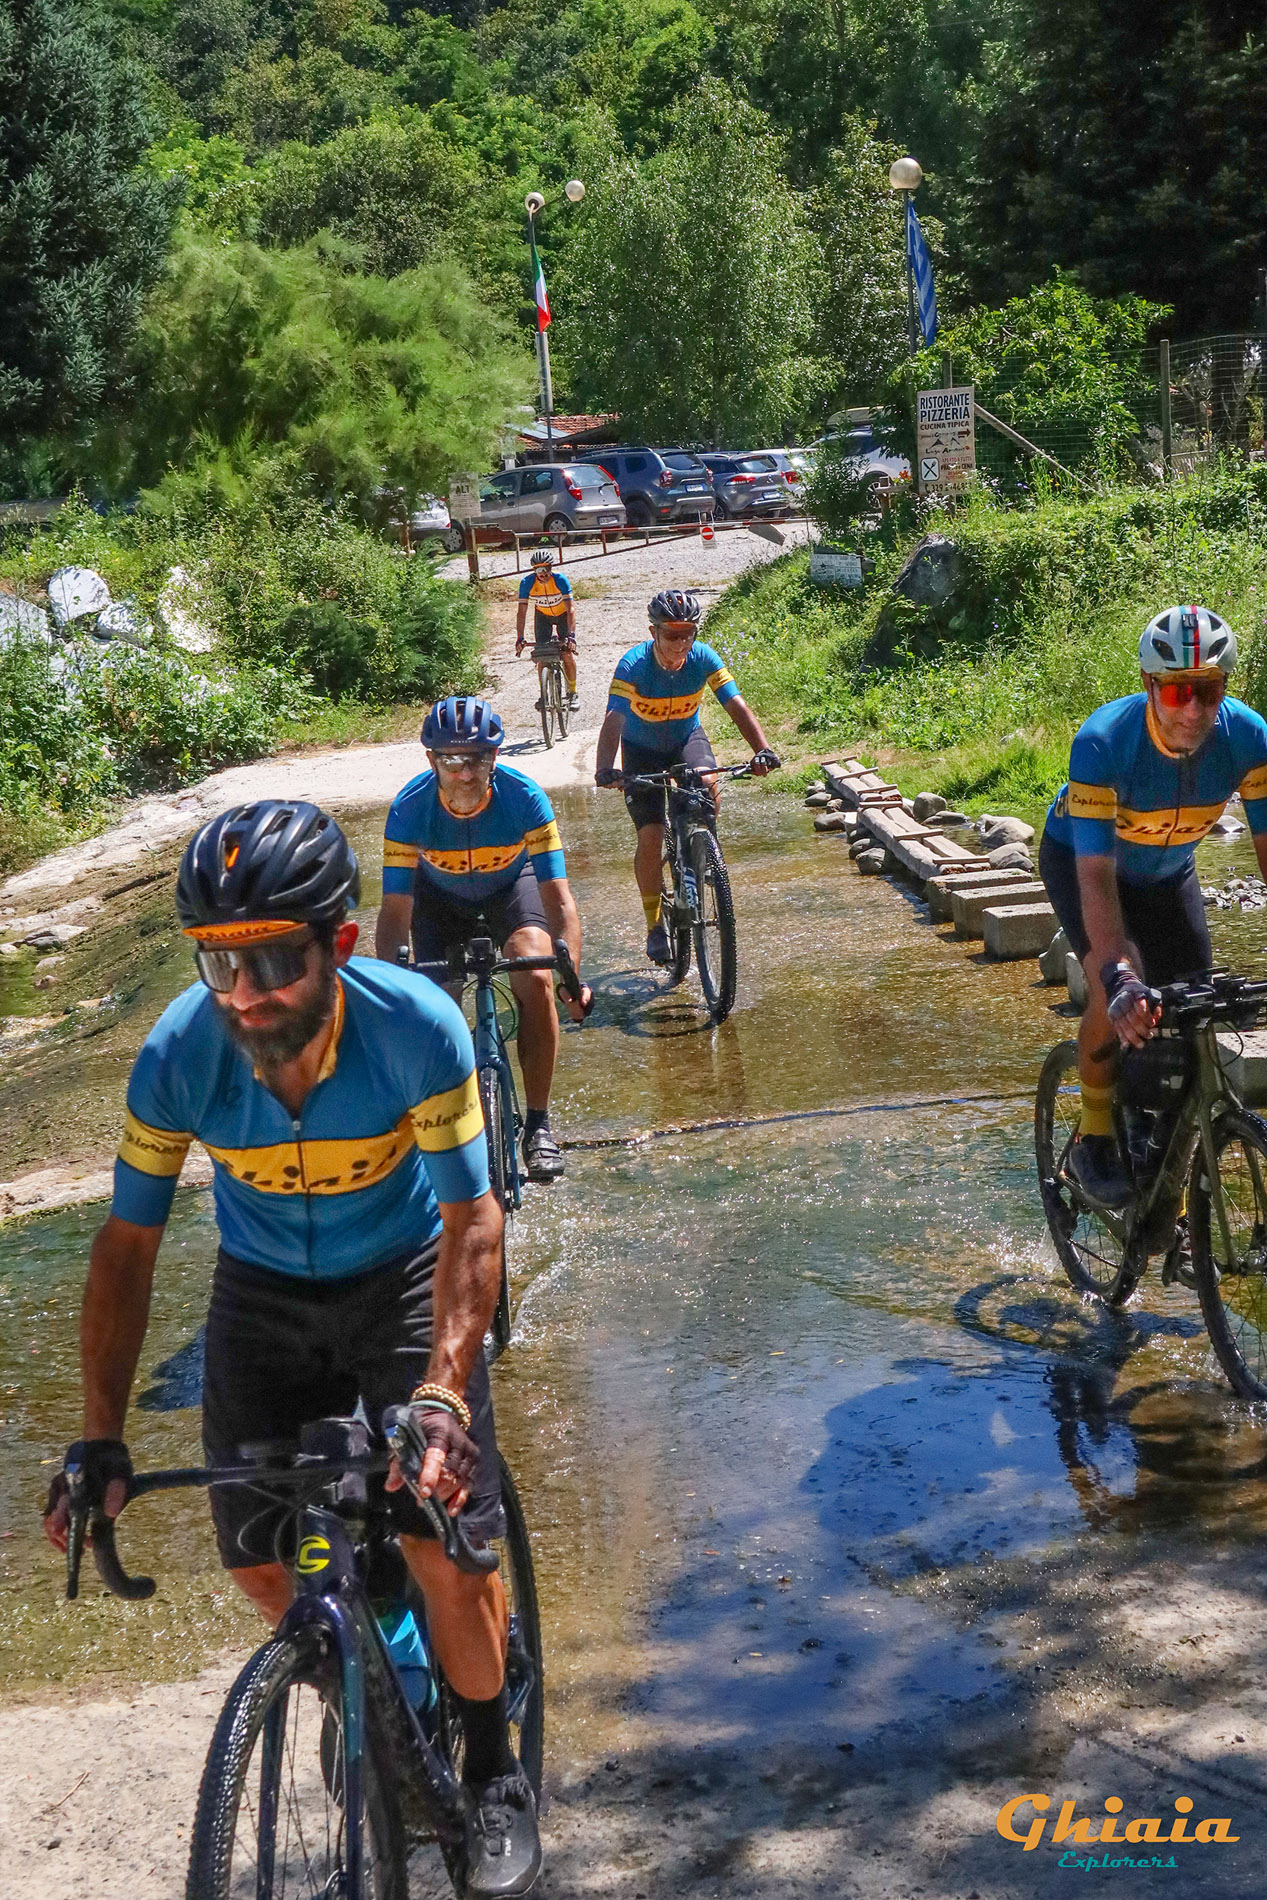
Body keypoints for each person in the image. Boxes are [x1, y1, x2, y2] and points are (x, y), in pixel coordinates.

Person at [41, 799, 542, 1895]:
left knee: (441, 1541)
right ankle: (377, 1663)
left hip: (402, 1274)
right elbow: (126, 1248)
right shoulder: (178, 1054)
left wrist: (444, 1394)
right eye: (218, 964)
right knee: (259, 1560)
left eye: (271, 961)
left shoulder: (416, 1029)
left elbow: (474, 1217)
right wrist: (100, 1436)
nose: (243, 994)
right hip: (261, 1292)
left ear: (341, 944)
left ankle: (493, 1762)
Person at [1040, 604, 1267, 1208]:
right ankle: (1093, 1134)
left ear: (1225, 686)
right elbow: (1095, 874)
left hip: (1169, 874)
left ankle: (1172, 1196)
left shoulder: (1249, 739)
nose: (1193, 708)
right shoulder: (1103, 743)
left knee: (1194, 1004)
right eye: (1176, 691)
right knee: (1122, 978)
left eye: (1208, 690)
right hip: (1084, 865)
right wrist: (1116, 975)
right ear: (1148, 683)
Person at [376, 696, 591, 1182]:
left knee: (535, 971)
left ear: (495, 757)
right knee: (433, 1005)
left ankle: (538, 1125)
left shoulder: (525, 797)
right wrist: (392, 993)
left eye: (477, 759)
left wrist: (570, 979)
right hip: (438, 900)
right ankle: (444, 1120)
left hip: (510, 889)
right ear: (431, 760)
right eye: (451, 760)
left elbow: (559, 901)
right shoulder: (409, 809)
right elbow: (395, 912)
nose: (465, 773)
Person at [593, 589, 780, 964]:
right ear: (654, 632)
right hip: (641, 750)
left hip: (686, 739)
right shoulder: (633, 665)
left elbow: (735, 704)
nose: (680, 643)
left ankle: (703, 851)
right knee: (650, 836)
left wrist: (762, 749)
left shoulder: (704, 657)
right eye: (672, 634)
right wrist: (605, 767)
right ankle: (654, 926)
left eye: (688, 633)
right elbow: (614, 719)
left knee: (708, 783)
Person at [516, 547, 578, 713]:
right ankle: (544, 696)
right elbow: (521, 613)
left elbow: (571, 609)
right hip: (543, 616)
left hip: (563, 615)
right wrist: (520, 637)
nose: (542, 574)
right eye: (538, 570)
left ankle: (573, 693)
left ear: (551, 568)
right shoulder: (527, 583)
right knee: (541, 655)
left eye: (546, 569)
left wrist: (571, 636)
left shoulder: (560, 580)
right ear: (534, 571)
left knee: (567, 653)